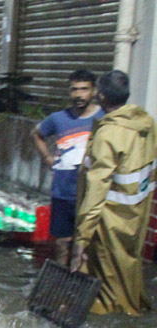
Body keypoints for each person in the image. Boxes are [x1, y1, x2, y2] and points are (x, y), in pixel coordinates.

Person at [70, 70, 157, 314]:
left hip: (107, 223)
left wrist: (81, 240)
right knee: (127, 273)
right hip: (136, 217)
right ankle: (133, 309)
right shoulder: (145, 124)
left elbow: (96, 191)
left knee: (105, 293)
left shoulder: (108, 134)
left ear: (103, 96)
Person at [33, 69, 102, 265]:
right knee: (62, 243)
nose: (79, 94)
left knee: (89, 245)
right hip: (63, 192)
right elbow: (37, 134)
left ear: (94, 91)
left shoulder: (104, 118)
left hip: (91, 194)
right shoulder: (58, 119)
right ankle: (61, 286)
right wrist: (47, 157)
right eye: (74, 90)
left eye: (84, 89)